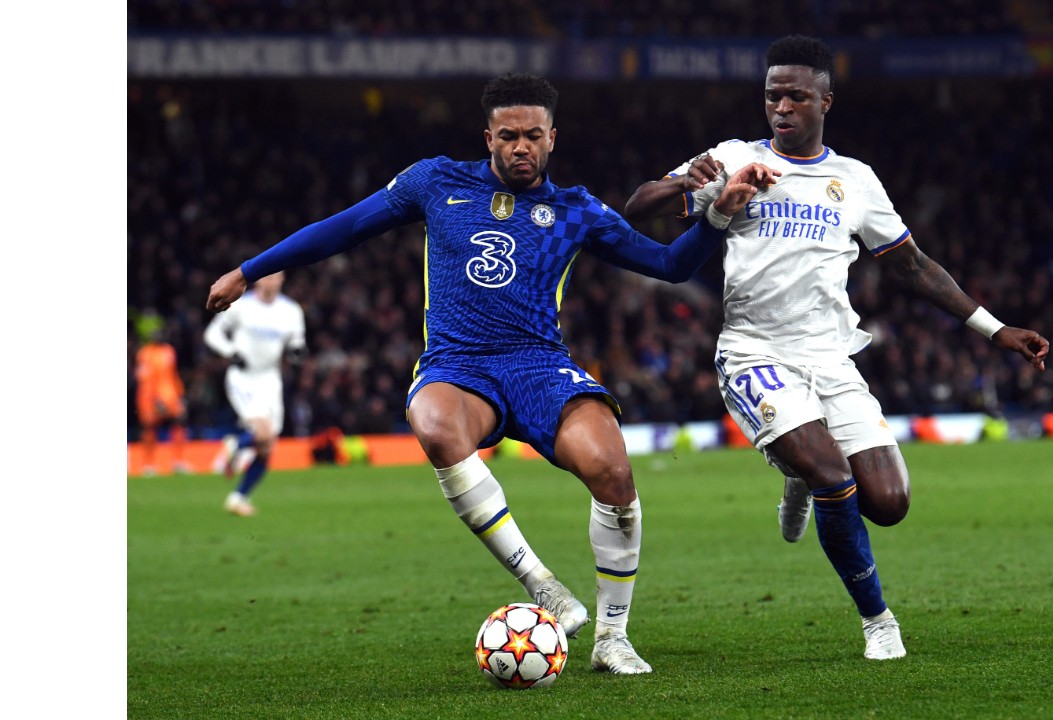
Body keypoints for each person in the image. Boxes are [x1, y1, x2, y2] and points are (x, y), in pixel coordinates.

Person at [204, 73, 774, 674]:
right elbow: (342, 228)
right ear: (488, 137)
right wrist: (248, 271)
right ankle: (544, 586)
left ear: (553, 138)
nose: (520, 147)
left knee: (612, 470)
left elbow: (667, 264)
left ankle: (612, 637)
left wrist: (715, 221)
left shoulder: (576, 210)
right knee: (433, 423)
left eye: (532, 136)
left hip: (541, 367)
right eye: (507, 136)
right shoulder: (435, 182)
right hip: (458, 363)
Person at [623, 35, 1050, 661]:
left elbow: (915, 266)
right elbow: (639, 208)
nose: (783, 107)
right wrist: (695, 181)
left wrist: (996, 329)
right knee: (832, 474)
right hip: (754, 351)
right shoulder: (733, 157)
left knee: (890, 504)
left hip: (830, 358)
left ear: (827, 100)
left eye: (797, 95)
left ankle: (799, 474)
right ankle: (878, 620)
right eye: (773, 96)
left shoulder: (854, 180)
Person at [203, 270, 307, 517]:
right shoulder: (242, 306)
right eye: (267, 276)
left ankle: (238, 497)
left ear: (282, 279)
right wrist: (230, 352)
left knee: (267, 446)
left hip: (270, 380)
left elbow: (297, 344)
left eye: (276, 276)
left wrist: (296, 353)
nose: (271, 281)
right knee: (263, 432)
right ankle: (236, 445)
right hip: (244, 378)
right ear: (258, 279)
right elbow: (212, 334)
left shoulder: (291, 311)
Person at [133, 324, 191, 476]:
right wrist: (154, 400)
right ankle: (148, 465)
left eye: (161, 334)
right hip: (149, 397)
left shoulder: (168, 351)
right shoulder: (145, 353)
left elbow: (173, 375)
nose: (159, 337)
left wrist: (180, 395)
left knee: (179, 423)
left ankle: (178, 462)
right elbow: (145, 379)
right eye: (156, 334)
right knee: (150, 427)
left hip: (170, 395)